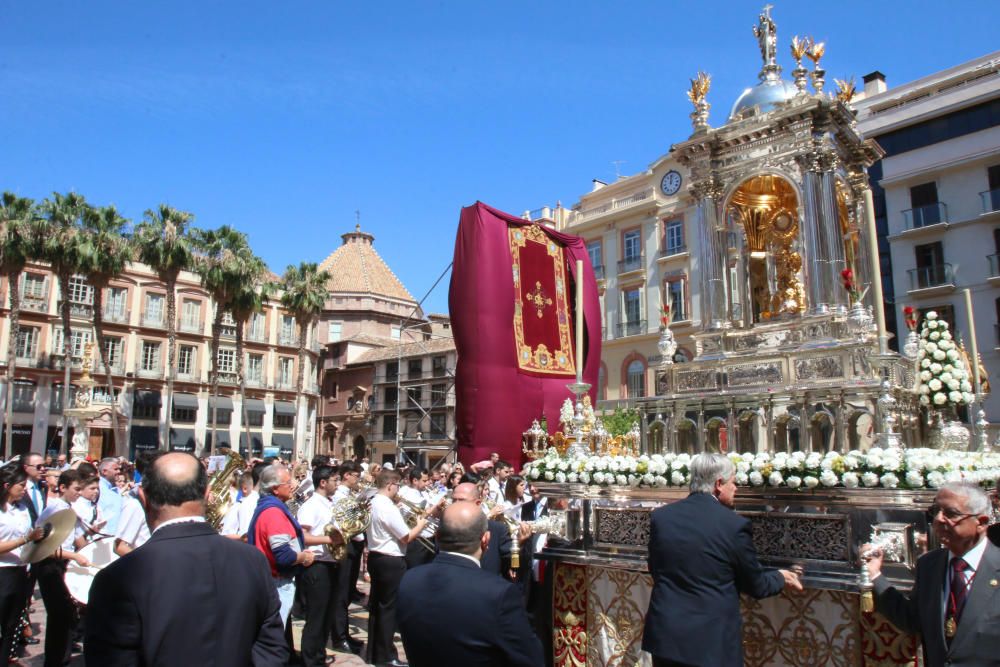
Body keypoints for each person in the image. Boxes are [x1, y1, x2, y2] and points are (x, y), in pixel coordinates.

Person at [85, 452, 287, 666]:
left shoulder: (114, 577)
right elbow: (271, 649)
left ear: (143, 497)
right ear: (208, 493)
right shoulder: (252, 560)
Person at [641, 453, 802, 667]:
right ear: (718, 484)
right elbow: (756, 585)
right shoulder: (733, 526)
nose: (736, 488)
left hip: (666, 636)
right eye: (733, 482)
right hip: (710, 642)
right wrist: (781, 577)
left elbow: (655, 568)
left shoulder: (662, 517)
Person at [865, 481, 1000, 666]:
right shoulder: (929, 564)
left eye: (951, 514)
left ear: (981, 523)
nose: (939, 519)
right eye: (935, 511)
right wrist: (875, 575)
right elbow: (912, 620)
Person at [398, 501, 544, 667]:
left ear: (437, 536)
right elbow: (531, 659)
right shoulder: (500, 593)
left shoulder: (408, 580)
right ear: (485, 540)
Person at [366, 469, 431, 667]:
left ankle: (374, 653)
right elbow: (406, 537)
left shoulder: (373, 502)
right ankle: (386, 655)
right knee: (388, 610)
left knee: (377, 607)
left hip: (377, 556)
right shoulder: (386, 506)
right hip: (391, 559)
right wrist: (420, 524)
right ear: (390, 485)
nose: (398, 489)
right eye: (397, 485)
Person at [247, 464, 315, 633]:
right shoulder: (274, 513)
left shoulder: (270, 507)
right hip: (276, 581)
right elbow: (284, 556)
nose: (293, 486)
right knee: (273, 636)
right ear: (276, 489)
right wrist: (304, 557)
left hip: (271, 578)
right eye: (287, 483)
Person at [34, 469, 89, 667]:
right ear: (63, 487)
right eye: (76, 489)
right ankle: (55, 660)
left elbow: (76, 538)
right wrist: (73, 555)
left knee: (66, 614)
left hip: (63, 562)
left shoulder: (69, 509)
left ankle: (62, 658)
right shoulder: (55, 509)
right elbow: (44, 546)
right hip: (51, 565)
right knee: (59, 615)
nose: (79, 493)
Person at [295, 464, 345, 666]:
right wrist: (329, 540)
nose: (337, 483)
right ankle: (310, 661)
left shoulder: (329, 503)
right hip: (317, 565)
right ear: (323, 482)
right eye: (334, 480)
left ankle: (318, 656)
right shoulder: (311, 505)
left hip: (331, 563)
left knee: (326, 616)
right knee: (316, 618)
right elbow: (302, 536)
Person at [0, 464, 43, 666]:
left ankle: (6, 657)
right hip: (2, 571)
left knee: (12, 621)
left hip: (20, 569)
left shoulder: (23, 509)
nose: (24, 489)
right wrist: (25, 540)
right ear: (7, 485)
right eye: (20, 485)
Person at [330, 461, 365, 653]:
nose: (357, 480)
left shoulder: (349, 494)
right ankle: (338, 637)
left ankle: (343, 633)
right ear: (347, 476)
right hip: (346, 543)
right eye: (355, 476)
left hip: (354, 543)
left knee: (347, 593)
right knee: (341, 593)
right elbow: (343, 520)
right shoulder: (339, 496)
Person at [451, 482, 513, 578]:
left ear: (478, 503)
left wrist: (520, 542)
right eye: (454, 500)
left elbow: (512, 561)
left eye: (461, 500)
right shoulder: (446, 529)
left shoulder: (497, 530)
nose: (456, 504)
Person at [397, 467, 437, 569]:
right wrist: (435, 506)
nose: (428, 483)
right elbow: (413, 518)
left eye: (428, 480)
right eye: (424, 480)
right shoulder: (407, 494)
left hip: (427, 538)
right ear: (415, 481)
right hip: (417, 541)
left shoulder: (423, 493)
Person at [96, 457, 124, 534]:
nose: (119, 472)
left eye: (119, 469)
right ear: (104, 471)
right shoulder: (97, 489)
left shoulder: (115, 489)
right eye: (115, 469)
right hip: (103, 537)